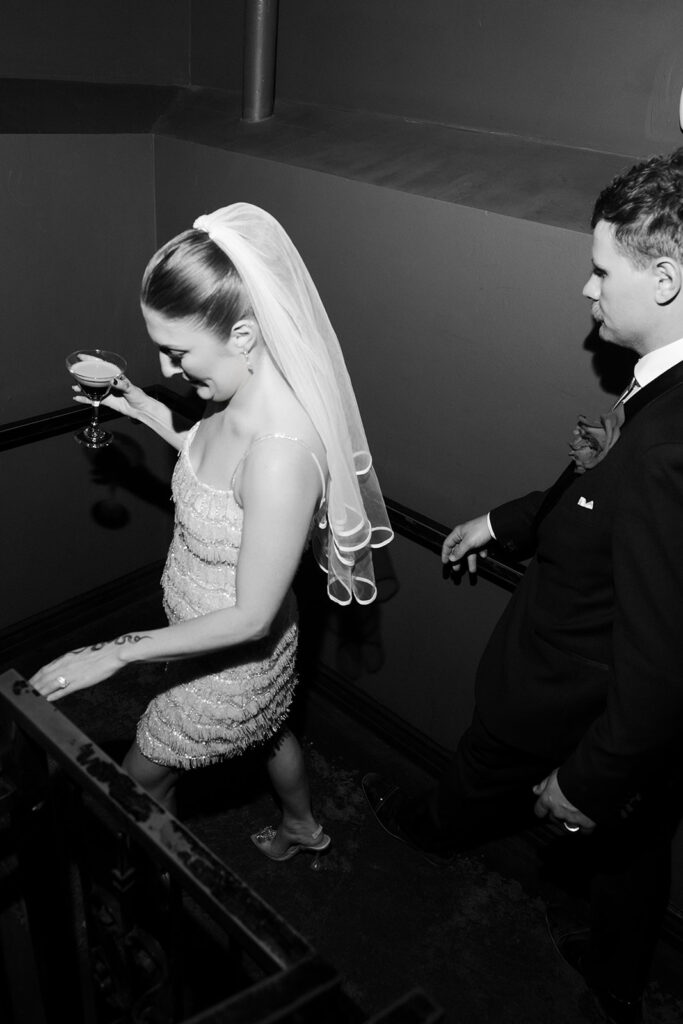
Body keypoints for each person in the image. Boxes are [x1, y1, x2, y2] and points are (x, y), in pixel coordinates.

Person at [363, 148, 683, 1024]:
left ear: (662, 280)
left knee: (494, 758)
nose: (585, 289)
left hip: (572, 688)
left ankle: (435, 830)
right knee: (638, 847)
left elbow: (659, 668)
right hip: (612, 711)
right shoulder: (661, 400)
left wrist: (585, 782)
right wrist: (511, 521)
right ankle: (619, 970)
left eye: (599, 269)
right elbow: (592, 491)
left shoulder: (667, 449)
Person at [30, 202, 393, 863]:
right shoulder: (237, 398)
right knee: (270, 731)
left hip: (228, 656)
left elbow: (250, 618)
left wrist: (114, 652)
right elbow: (204, 453)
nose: (168, 370)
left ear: (246, 336)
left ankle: (173, 891)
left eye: (176, 352)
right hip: (212, 631)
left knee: (137, 784)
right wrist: (133, 402)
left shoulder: (281, 453)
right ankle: (302, 826)